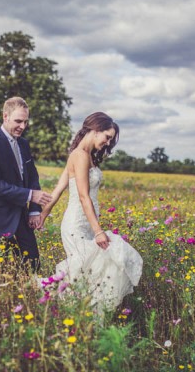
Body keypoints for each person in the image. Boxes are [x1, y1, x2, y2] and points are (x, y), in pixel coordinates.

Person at [38, 112, 143, 311]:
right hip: (76, 224)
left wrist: (43, 214)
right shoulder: (80, 155)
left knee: (87, 271)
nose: (108, 142)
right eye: (107, 137)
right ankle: (56, 302)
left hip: (86, 223)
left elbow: (59, 189)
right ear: (95, 131)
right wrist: (98, 231)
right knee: (82, 269)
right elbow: (83, 196)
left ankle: (80, 313)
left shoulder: (83, 155)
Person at [0, 96, 52, 273]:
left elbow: (32, 177)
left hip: (22, 217)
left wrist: (34, 210)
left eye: (26, 122)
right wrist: (30, 195)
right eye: (18, 121)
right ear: (5, 117)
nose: (23, 127)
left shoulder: (24, 144)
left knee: (32, 265)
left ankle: (30, 299)